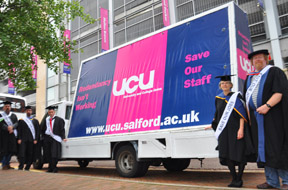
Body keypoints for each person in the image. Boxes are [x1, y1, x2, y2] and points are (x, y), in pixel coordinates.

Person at [244, 49, 288, 190]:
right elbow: (247, 100)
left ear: (266, 59)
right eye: (254, 59)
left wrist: (267, 105)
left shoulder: (274, 72)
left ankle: (286, 181)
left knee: (277, 148)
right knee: (263, 150)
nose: (257, 60)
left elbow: (280, 92)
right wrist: (250, 120)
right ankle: (271, 181)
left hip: (273, 117)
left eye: (260, 58)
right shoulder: (250, 78)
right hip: (257, 120)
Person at [206, 75, 249, 188]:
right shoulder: (218, 98)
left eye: (227, 83)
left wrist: (241, 129)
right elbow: (217, 115)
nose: (224, 85)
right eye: (222, 84)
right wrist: (212, 125)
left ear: (231, 85)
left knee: (239, 153)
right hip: (224, 131)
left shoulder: (236, 97)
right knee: (227, 154)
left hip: (235, 130)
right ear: (220, 86)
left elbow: (241, 115)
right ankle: (234, 178)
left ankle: (239, 179)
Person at [42, 106, 66, 173]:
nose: (51, 113)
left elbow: (62, 129)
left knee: (54, 154)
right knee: (48, 153)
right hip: (47, 138)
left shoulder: (59, 120)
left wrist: (63, 137)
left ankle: (54, 168)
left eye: (52, 112)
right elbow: (43, 128)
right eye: (49, 112)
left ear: (54, 112)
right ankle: (50, 168)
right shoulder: (46, 119)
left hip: (55, 138)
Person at [17, 106, 40, 171]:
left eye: (30, 110)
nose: (29, 112)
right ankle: (21, 166)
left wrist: (36, 139)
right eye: (27, 110)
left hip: (31, 140)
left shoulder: (35, 121)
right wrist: (19, 138)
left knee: (30, 153)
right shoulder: (22, 120)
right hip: (23, 139)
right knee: (22, 153)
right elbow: (19, 130)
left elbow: (37, 131)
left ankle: (27, 167)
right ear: (25, 111)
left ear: (31, 111)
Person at [0, 101, 18, 170]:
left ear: (10, 107)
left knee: (11, 150)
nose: (7, 107)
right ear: (4, 107)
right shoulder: (1, 115)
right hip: (4, 136)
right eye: (6, 106)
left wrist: (12, 127)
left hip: (12, 135)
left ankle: (7, 164)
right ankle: (4, 164)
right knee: (5, 150)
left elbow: (17, 123)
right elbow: (0, 124)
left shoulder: (13, 115)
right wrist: (7, 128)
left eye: (9, 106)